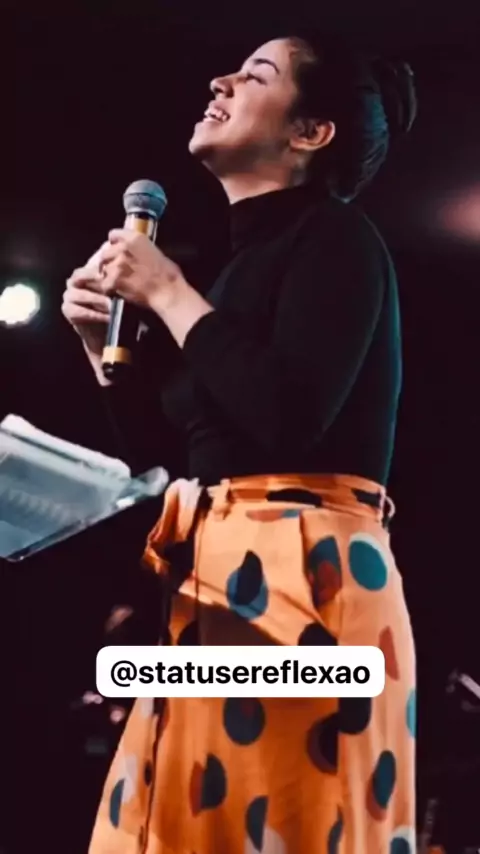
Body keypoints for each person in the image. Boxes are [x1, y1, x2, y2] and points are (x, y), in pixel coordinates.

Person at [62, 31, 418, 854]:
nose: (220, 80)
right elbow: (178, 454)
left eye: (256, 74)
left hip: (309, 577)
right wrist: (99, 347)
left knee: (279, 824)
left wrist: (169, 293)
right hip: (214, 583)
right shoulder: (231, 279)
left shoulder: (339, 238)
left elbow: (289, 416)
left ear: (311, 132)